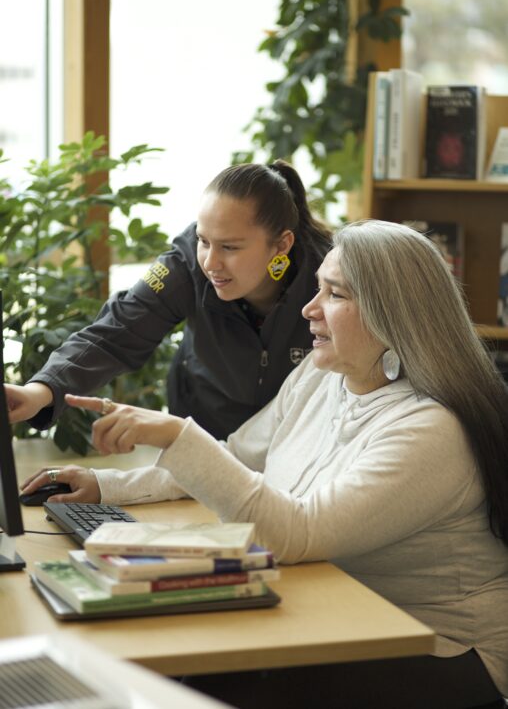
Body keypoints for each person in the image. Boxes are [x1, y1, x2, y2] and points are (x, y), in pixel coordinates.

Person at [22, 219, 508, 708]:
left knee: (212, 680)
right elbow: (237, 456)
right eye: (317, 288)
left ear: (392, 314)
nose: (309, 309)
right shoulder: (322, 378)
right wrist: (108, 487)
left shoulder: (432, 429)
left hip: (436, 645)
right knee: (187, 666)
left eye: (335, 295)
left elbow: (300, 533)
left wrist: (177, 434)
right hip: (331, 610)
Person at [6, 160, 331, 441]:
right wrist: (40, 391)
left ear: (282, 245)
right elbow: (116, 333)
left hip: (299, 447)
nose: (211, 263)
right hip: (203, 436)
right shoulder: (187, 262)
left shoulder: (333, 277)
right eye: (204, 240)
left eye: (230, 247)